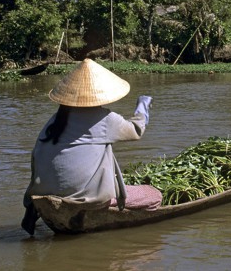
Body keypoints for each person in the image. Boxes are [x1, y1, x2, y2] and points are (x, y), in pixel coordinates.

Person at [21, 58, 153, 235]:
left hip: (41, 193)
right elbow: (136, 130)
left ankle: (35, 212)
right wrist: (142, 106)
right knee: (153, 195)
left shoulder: (55, 120)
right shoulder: (104, 118)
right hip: (84, 198)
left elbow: (37, 158)